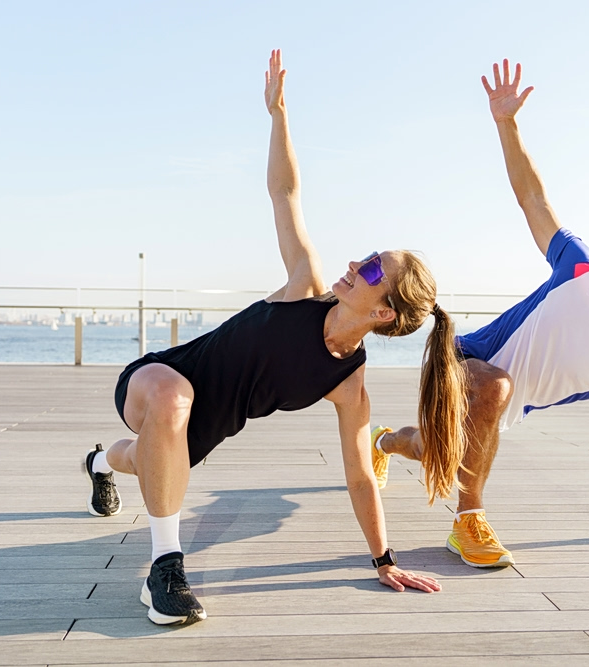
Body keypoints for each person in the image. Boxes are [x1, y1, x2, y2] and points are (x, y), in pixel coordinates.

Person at [82, 50, 467, 625]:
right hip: (158, 378)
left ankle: (98, 464)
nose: (354, 264)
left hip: (198, 429)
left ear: (384, 315)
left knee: (137, 459)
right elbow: (286, 196)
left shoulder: (349, 385)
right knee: (170, 400)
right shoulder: (303, 286)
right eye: (365, 256)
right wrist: (278, 114)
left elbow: (361, 474)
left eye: (369, 271)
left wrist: (383, 559)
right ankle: (164, 572)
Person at [373, 59, 589, 568]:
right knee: (491, 386)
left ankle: (383, 440)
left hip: (497, 407)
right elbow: (533, 198)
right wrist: (506, 123)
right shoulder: (581, 271)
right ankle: (468, 524)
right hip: (459, 359)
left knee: (431, 448)